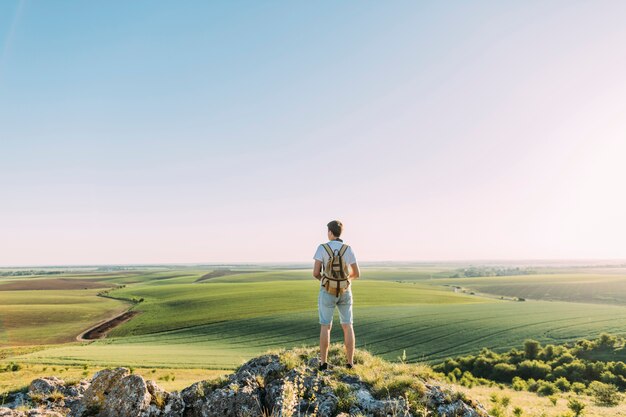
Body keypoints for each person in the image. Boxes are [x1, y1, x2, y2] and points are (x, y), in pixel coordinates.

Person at [312, 220, 360, 371]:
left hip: (327, 291)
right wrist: (345, 281)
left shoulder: (322, 248)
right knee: (347, 325)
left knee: (326, 326)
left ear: (330, 232)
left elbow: (315, 273)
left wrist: (327, 282)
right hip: (345, 291)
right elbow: (356, 273)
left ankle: (324, 363)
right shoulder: (348, 249)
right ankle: (350, 363)